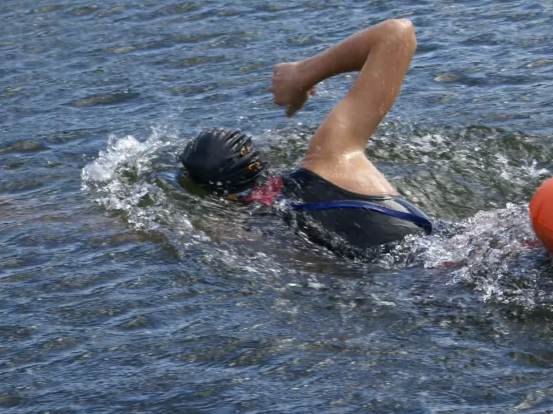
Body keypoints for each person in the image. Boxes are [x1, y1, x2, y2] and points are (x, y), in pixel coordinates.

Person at [180, 17, 433, 257]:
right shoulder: (332, 160)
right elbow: (396, 34)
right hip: (456, 254)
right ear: (255, 156)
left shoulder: (247, 233)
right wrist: (301, 75)